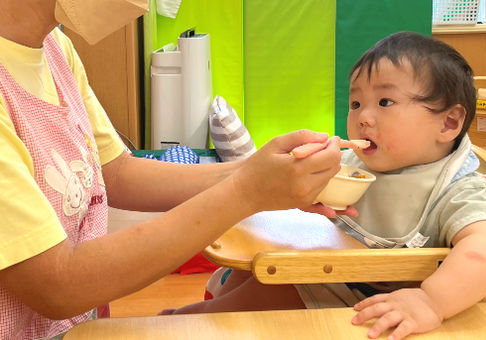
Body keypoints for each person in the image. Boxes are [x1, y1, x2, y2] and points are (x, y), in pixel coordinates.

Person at [0, 1, 359, 338]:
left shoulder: (56, 49)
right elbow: (58, 284)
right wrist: (248, 190)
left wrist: (260, 172)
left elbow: (116, 171)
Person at [166, 31, 486, 340]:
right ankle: (199, 315)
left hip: (370, 298)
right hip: (328, 269)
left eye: (385, 102)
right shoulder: (358, 164)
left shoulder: (460, 190)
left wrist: (431, 301)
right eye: (356, 103)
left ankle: (184, 325)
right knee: (248, 270)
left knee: (249, 304)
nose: (362, 117)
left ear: (448, 123)